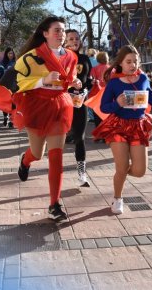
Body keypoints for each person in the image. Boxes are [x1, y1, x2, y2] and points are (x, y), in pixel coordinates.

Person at [14, 16, 82, 221]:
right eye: (56, 30)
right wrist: (43, 79)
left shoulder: (71, 57)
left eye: (63, 30)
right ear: (45, 33)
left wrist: (74, 83)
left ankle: (54, 204)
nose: (61, 34)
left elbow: (66, 81)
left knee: (56, 156)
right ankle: (25, 162)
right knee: (37, 153)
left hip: (60, 106)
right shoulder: (31, 57)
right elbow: (20, 82)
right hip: (37, 106)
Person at [92, 45, 152, 215]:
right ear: (121, 64)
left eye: (136, 61)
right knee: (122, 166)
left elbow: (151, 95)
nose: (133, 65)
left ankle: (120, 174)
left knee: (139, 171)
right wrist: (118, 104)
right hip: (118, 126)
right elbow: (104, 107)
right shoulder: (114, 83)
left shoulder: (143, 78)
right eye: (129, 62)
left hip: (138, 125)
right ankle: (117, 198)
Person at [64, 29, 93, 188]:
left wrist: (87, 89)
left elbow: (87, 81)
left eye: (77, 38)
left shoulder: (85, 59)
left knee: (80, 137)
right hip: (62, 103)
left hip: (80, 102)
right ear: (65, 41)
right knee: (58, 138)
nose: (75, 41)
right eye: (71, 39)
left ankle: (82, 174)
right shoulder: (60, 57)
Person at [89, 51, 109, 139]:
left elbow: (91, 80)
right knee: (106, 115)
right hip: (108, 94)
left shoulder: (94, 69)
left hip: (96, 93)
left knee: (96, 115)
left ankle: (98, 134)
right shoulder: (110, 69)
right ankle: (106, 134)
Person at [0, 47, 17, 126]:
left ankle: (11, 120)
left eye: (12, 53)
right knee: (5, 102)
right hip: (5, 86)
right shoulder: (3, 63)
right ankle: (5, 116)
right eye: (9, 53)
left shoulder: (16, 62)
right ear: (6, 54)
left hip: (14, 86)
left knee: (13, 103)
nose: (11, 55)